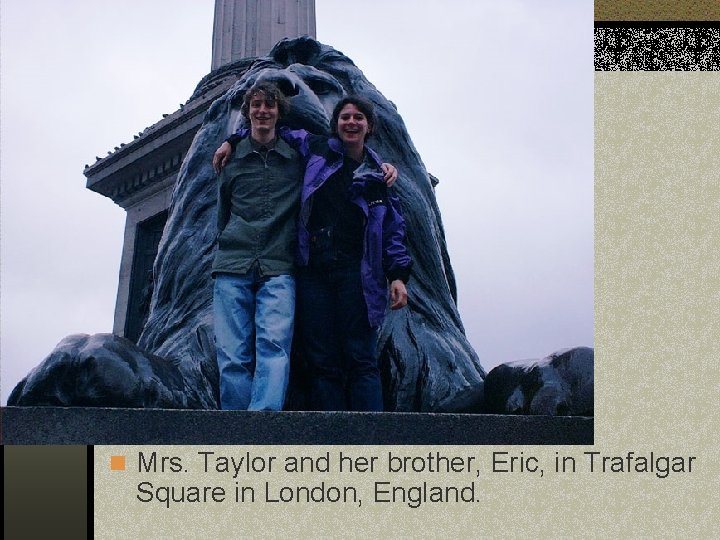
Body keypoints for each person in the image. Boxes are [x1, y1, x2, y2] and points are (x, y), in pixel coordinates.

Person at [215, 95, 411, 411]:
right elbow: (269, 128)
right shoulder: (317, 150)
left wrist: (398, 275)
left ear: (369, 127)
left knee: (361, 356)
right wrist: (231, 139)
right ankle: (327, 439)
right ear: (335, 125)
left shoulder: (377, 175)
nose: (351, 122)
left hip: (357, 273)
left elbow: (392, 228)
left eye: (358, 117)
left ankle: (370, 441)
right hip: (314, 270)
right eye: (345, 116)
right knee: (322, 360)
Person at [211, 81, 302, 411]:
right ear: (247, 112)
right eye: (256, 105)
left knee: (274, 347)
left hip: (278, 265)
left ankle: (262, 428)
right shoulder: (230, 162)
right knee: (232, 354)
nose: (263, 111)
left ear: (279, 112)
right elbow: (222, 214)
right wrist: (231, 141)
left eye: (270, 105)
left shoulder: (296, 160)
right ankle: (236, 430)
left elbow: (338, 147)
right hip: (233, 265)